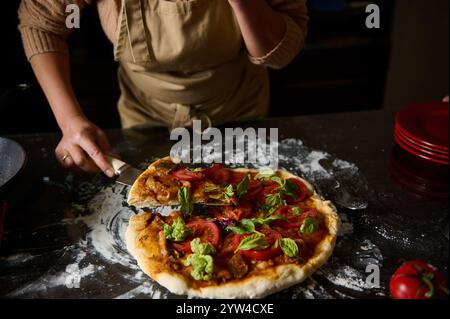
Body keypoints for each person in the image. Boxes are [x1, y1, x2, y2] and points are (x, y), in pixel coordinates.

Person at [18, 0, 309, 177]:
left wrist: (243, 3)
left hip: (239, 112)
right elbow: (44, 23)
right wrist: (69, 121)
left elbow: (280, 55)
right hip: (145, 116)